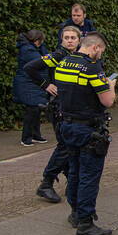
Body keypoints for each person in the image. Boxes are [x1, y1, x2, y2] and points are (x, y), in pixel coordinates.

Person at [56, 32, 116, 235]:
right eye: (101, 52)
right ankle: (86, 223)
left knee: (74, 171)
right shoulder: (92, 67)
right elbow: (107, 101)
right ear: (95, 48)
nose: (100, 56)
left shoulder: (64, 62)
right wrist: (111, 86)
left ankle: (75, 213)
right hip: (87, 129)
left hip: (67, 125)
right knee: (89, 176)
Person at [24, 25, 81, 203]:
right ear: (61, 40)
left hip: (73, 108)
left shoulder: (80, 57)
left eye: (73, 38)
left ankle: (72, 181)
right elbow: (30, 68)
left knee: (70, 147)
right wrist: (46, 85)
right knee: (65, 146)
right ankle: (46, 183)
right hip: (59, 109)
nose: (70, 40)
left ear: (79, 40)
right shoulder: (57, 57)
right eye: (67, 38)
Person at [12, 30, 50, 146]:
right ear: (37, 41)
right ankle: (26, 138)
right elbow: (43, 61)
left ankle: (35, 135)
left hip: (31, 83)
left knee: (36, 109)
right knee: (32, 109)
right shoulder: (28, 50)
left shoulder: (32, 48)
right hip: (26, 84)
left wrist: (42, 46)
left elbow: (45, 56)